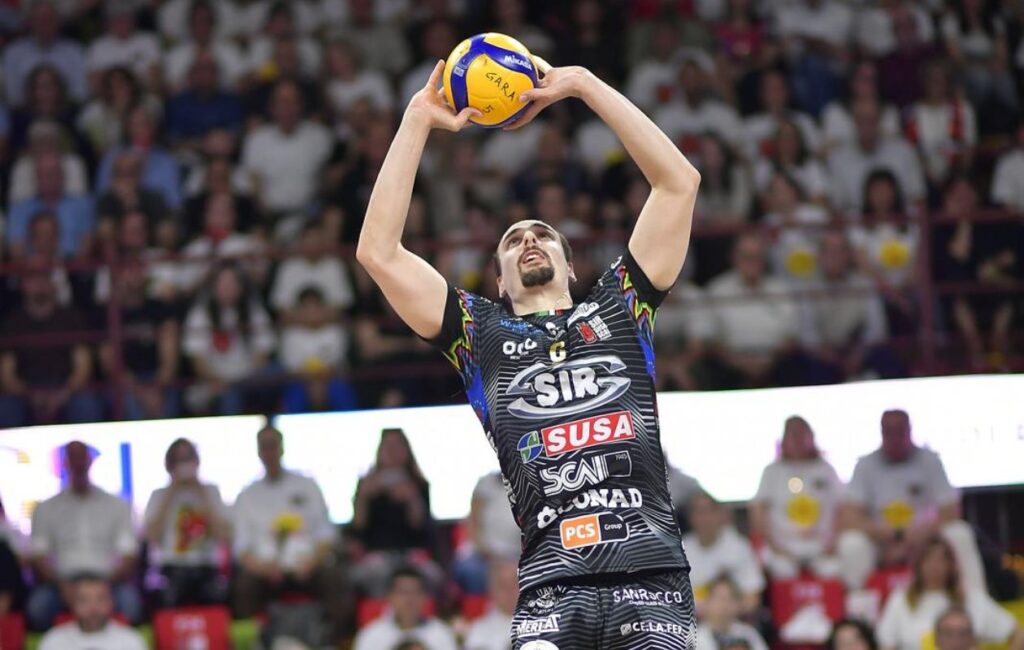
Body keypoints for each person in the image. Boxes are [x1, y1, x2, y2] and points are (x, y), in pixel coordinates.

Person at [358, 54, 701, 646]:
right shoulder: (478, 333)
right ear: (499, 280)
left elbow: (679, 184)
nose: (528, 241)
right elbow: (378, 253)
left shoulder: (620, 308)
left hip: (651, 576)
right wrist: (416, 118)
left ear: (571, 265)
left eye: (542, 235)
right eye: (513, 241)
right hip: (551, 586)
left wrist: (583, 84)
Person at [837, 410, 987, 594]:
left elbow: (951, 510)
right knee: (851, 543)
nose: (894, 438)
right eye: (889, 432)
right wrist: (883, 533)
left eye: (899, 431)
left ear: (909, 430)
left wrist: (922, 534)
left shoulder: (930, 460)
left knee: (960, 532)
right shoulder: (865, 464)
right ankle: (859, 603)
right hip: (881, 540)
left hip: (924, 535)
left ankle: (975, 599)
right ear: (881, 432)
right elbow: (850, 515)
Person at [231, 426, 349, 633]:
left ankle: (337, 640)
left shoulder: (307, 486)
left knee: (335, 579)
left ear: (282, 448)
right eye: (264, 446)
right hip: (264, 569)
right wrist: (263, 568)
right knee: (242, 587)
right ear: (258, 451)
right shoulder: (247, 495)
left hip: (307, 564)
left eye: (273, 445)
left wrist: (312, 562)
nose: (269, 452)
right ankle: (250, 642)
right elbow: (241, 548)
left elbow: (326, 534)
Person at [26, 441, 141, 630]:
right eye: (73, 458)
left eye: (81, 457)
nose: (78, 463)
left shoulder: (116, 505)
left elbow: (128, 554)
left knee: (131, 605)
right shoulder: (46, 508)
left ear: (90, 460)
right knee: (38, 608)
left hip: (108, 581)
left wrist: (103, 587)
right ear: (64, 463)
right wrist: (62, 585)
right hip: (61, 582)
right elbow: (39, 556)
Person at [876, 537, 1024, 650]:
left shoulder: (972, 599)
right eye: (929, 559)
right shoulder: (900, 600)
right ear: (918, 564)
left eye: (942, 560)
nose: (935, 566)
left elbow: (1019, 634)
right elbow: (885, 644)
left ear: (952, 565)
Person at [751, 416, 843, 579]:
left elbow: (842, 508)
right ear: (784, 439)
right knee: (782, 570)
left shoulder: (826, 469)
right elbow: (758, 510)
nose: (797, 440)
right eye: (792, 434)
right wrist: (773, 545)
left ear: (811, 437)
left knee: (832, 570)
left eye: (801, 434)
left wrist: (832, 542)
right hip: (782, 546)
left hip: (820, 545)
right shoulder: (772, 471)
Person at [351, 428, 439, 598]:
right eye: (388, 446)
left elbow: (422, 528)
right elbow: (358, 527)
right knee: (372, 574)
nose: (392, 452)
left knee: (432, 575)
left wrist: (412, 499)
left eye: (397, 446)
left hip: (411, 553)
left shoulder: (419, 484)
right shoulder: (366, 483)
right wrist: (362, 498)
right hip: (377, 554)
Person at [143, 438, 231, 607]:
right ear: (169, 465)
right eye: (178, 460)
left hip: (206, 567)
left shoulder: (211, 492)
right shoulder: (158, 495)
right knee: (165, 596)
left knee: (218, 594)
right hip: (171, 567)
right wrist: (172, 490)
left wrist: (201, 492)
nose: (184, 465)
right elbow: (151, 537)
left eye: (188, 458)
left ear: (197, 461)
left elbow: (223, 535)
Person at [683, 492, 764, 616]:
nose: (705, 518)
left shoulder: (739, 547)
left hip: (734, 620)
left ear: (720, 514)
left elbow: (753, 597)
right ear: (691, 518)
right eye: (700, 512)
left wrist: (724, 610)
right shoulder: (679, 551)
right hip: (691, 621)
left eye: (709, 511)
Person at [352, 566, 458, 650]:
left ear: (425, 597)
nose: (409, 599)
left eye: (415, 592)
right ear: (389, 597)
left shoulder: (441, 634)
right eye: (403, 592)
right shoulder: (371, 636)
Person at [453, 471, 521, 596]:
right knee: (471, 572)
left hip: (515, 554)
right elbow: (473, 523)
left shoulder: (528, 485)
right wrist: (488, 554)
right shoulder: (485, 483)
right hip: (482, 553)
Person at [38, 575, 146, 650]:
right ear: (73, 604)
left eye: (100, 599)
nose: (93, 608)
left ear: (111, 602)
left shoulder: (131, 640)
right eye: (84, 600)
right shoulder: (53, 641)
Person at [693, 578, 769, 650]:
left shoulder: (748, 634)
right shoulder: (694, 639)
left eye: (730, 598)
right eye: (720, 598)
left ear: (738, 604)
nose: (724, 604)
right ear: (707, 602)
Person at [464, 560, 519, 650]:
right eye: (503, 586)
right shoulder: (479, 631)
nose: (510, 592)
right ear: (493, 592)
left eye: (515, 584)